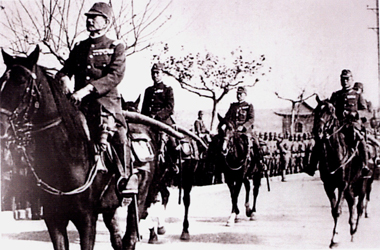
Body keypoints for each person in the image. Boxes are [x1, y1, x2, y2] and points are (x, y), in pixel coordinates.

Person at [55, 2, 138, 195]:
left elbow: (115, 76)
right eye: (88, 17)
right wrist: (64, 77)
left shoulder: (115, 46)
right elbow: (65, 70)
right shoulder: (79, 47)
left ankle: (125, 178)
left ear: (106, 21)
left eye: (94, 17)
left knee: (118, 135)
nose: (89, 20)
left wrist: (86, 90)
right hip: (79, 106)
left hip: (105, 105)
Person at [304, 69, 370, 177]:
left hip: (353, 124)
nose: (345, 81)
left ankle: (364, 166)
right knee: (320, 140)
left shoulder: (357, 95)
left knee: (360, 139)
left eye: (347, 79)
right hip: (338, 125)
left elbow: (367, 112)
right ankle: (312, 166)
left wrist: (354, 114)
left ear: (352, 80)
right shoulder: (336, 95)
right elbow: (330, 109)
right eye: (343, 79)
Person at [224, 86, 261, 163]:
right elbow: (227, 117)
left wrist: (243, 127)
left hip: (245, 132)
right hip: (233, 131)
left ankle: (260, 162)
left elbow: (251, 119)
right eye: (237, 94)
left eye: (241, 94)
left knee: (256, 144)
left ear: (245, 95)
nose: (238, 96)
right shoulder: (233, 106)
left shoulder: (248, 106)